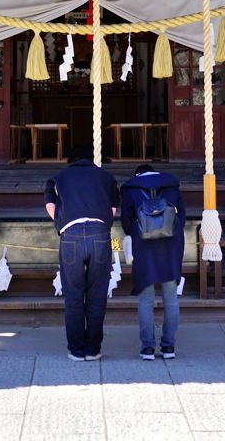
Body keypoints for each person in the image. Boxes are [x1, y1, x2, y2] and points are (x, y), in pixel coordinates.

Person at [45, 147, 120, 361]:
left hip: (71, 234)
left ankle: (76, 350)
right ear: (91, 161)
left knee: (74, 295)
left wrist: (61, 223)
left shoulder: (59, 177)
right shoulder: (106, 176)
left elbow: (50, 202)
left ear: (71, 162)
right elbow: (113, 208)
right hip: (100, 234)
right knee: (97, 295)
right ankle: (93, 349)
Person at [121, 163, 186, 360]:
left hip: (144, 247)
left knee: (145, 299)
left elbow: (126, 222)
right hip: (170, 246)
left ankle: (147, 348)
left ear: (137, 174)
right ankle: (168, 347)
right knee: (171, 298)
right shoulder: (172, 186)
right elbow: (181, 217)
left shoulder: (130, 189)